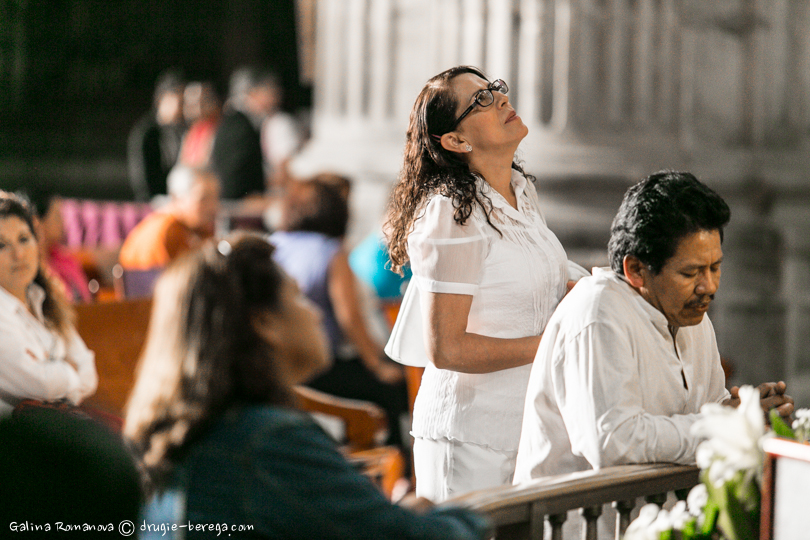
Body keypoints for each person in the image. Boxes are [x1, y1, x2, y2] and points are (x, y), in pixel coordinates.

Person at [123, 234, 492, 540]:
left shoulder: (189, 438)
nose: (314, 313)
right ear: (264, 322)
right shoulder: (268, 443)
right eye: (297, 296)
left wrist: (390, 516)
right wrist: (470, 518)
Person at [384, 66, 587, 501]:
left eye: (494, 89)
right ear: (455, 141)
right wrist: (549, 344)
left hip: (528, 421)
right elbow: (447, 348)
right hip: (470, 436)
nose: (499, 98)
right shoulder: (449, 213)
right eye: (480, 100)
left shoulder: (520, 193)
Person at [513, 171, 794, 483]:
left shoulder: (690, 316)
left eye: (715, 268)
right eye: (691, 273)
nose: (709, 286)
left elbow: (708, 408)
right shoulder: (597, 313)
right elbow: (614, 442)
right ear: (635, 270)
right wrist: (724, 423)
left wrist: (751, 412)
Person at [270, 178, 409, 451]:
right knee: (395, 389)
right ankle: (394, 465)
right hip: (321, 365)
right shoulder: (331, 251)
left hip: (282, 366)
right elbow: (349, 319)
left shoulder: (275, 244)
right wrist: (377, 366)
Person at [0, 191, 97, 416]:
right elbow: (38, 384)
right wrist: (68, 371)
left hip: (61, 426)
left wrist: (54, 373)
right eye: (2, 245)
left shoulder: (43, 298)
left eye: (24, 239)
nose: (19, 254)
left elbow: (88, 372)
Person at [118, 164, 220, 270]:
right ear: (177, 198)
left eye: (215, 198)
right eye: (203, 199)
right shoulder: (164, 231)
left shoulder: (197, 229)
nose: (213, 207)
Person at [211, 67, 291, 199]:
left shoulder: (232, 121)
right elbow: (235, 177)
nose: (276, 98)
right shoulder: (240, 128)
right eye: (270, 91)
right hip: (240, 207)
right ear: (253, 93)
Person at [127, 70, 186, 201]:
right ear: (162, 99)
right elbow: (141, 179)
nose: (183, 108)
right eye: (179, 101)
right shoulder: (146, 133)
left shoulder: (181, 130)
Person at [29, 189, 92, 303]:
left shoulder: (66, 260)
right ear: (38, 222)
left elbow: (86, 302)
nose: (63, 222)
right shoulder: (28, 267)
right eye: (57, 216)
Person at [179, 81, 222, 168]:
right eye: (188, 103)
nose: (191, 107)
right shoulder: (192, 131)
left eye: (198, 102)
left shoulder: (218, 129)